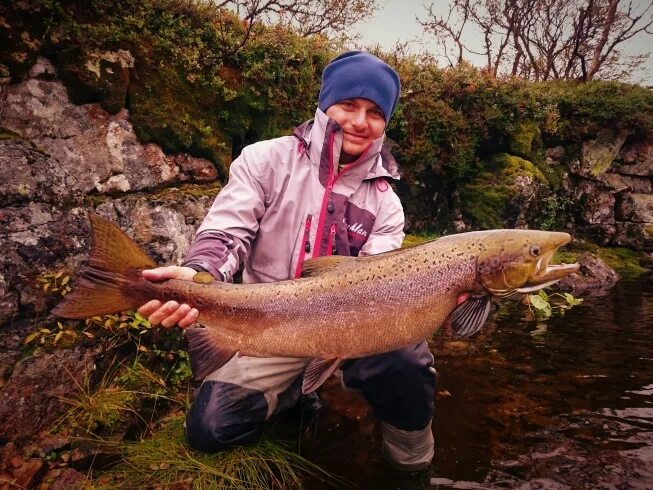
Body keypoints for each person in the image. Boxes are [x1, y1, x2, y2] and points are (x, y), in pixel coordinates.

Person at [138, 51, 437, 486]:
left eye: (375, 113)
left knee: (406, 358)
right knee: (210, 431)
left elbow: (381, 285)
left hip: (350, 331)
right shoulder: (266, 161)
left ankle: (411, 464)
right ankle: (298, 397)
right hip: (268, 328)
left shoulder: (386, 204)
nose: (360, 121)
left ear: (385, 124)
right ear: (324, 105)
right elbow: (228, 232)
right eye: (349, 105)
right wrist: (200, 274)